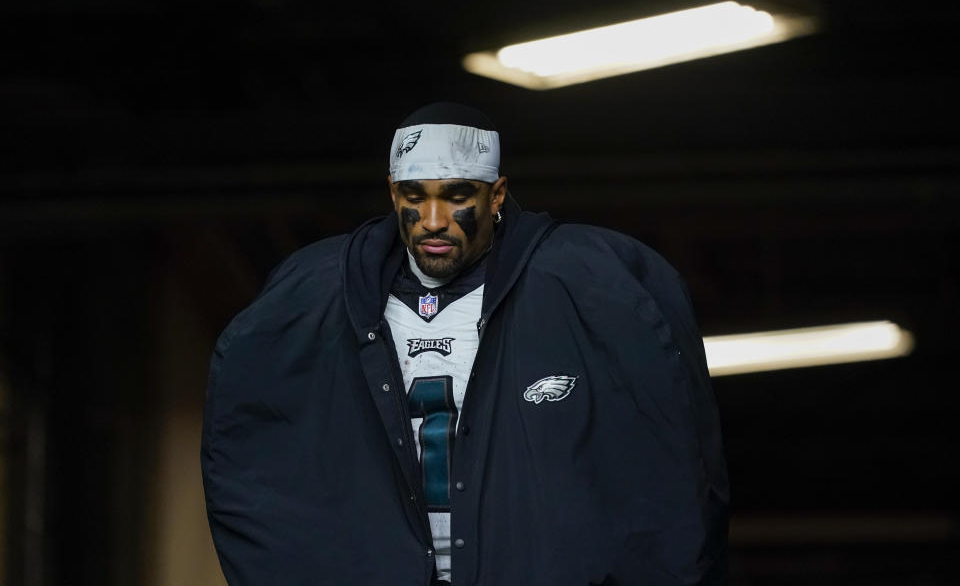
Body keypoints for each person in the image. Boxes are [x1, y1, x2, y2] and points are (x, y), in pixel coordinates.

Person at [201, 102, 729, 586]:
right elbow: (246, 448)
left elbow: (665, 453)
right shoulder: (312, 296)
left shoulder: (586, 285)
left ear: (495, 194)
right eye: (415, 197)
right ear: (392, 193)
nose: (433, 221)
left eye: (456, 197)